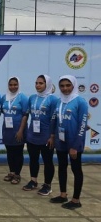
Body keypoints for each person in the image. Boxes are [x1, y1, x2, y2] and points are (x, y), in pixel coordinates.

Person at [50, 75, 88, 210]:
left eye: (68, 85)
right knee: (62, 167)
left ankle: (76, 200)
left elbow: (82, 125)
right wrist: (52, 136)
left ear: (73, 86)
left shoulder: (80, 102)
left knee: (76, 169)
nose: (65, 88)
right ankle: (63, 194)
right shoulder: (59, 101)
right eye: (62, 86)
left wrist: (75, 146)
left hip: (74, 143)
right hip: (61, 141)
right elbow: (55, 119)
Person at [23, 75, 57, 195]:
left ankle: (47, 185)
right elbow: (28, 115)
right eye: (36, 83)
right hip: (32, 135)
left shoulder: (53, 100)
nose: (38, 85)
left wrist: (52, 136)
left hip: (46, 136)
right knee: (33, 159)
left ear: (47, 84)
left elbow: (55, 119)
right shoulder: (32, 98)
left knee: (48, 161)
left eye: (41, 83)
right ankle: (33, 181)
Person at [0, 77, 29, 184]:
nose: (13, 87)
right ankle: (11, 172)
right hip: (7, 130)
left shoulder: (23, 98)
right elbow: (3, 112)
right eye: (11, 85)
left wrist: (21, 130)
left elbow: (25, 115)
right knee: (10, 152)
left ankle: (17, 174)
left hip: (18, 129)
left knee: (18, 152)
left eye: (15, 84)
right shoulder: (4, 98)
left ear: (18, 85)